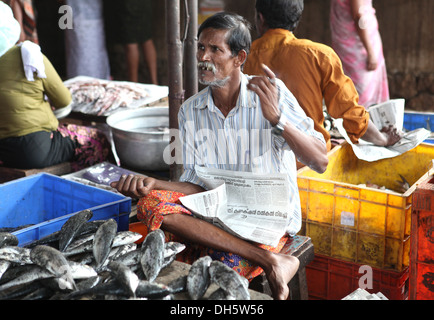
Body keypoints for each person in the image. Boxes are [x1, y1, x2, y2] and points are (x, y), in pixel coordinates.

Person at [110, 12, 328, 300]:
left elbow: (320, 161)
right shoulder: (190, 110)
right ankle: (271, 262)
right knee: (149, 205)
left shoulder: (270, 95)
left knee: (218, 272)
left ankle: (267, 256)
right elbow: (196, 187)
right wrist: (154, 183)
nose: (204, 56)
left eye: (215, 50)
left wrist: (277, 119)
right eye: (201, 47)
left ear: (239, 58)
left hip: (265, 222)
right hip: (218, 215)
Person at [243, 0, 401, 157]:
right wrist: (382, 138)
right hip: (310, 160)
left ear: (260, 18)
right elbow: (351, 114)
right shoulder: (319, 55)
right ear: (296, 19)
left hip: (254, 158)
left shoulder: (240, 59)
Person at [0, 2, 113, 171]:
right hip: (33, 150)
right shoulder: (28, 56)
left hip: (3, 152)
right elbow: (64, 100)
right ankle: (87, 188)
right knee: (97, 140)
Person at [330, 0, 389, 108]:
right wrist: (370, 51)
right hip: (358, 49)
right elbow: (359, 16)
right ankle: (361, 122)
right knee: (361, 97)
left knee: (348, 91)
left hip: (346, 44)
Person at [108, 0, 158, 84]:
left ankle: (133, 83)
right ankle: (154, 82)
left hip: (128, 4)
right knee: (146, 38)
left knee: (131, 42)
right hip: (142, 4)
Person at [64, 0, 110, 80]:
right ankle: (80, 80)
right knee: (76, 49)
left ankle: (92, 79)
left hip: (90, 14)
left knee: (90, 50)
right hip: (75, 12)